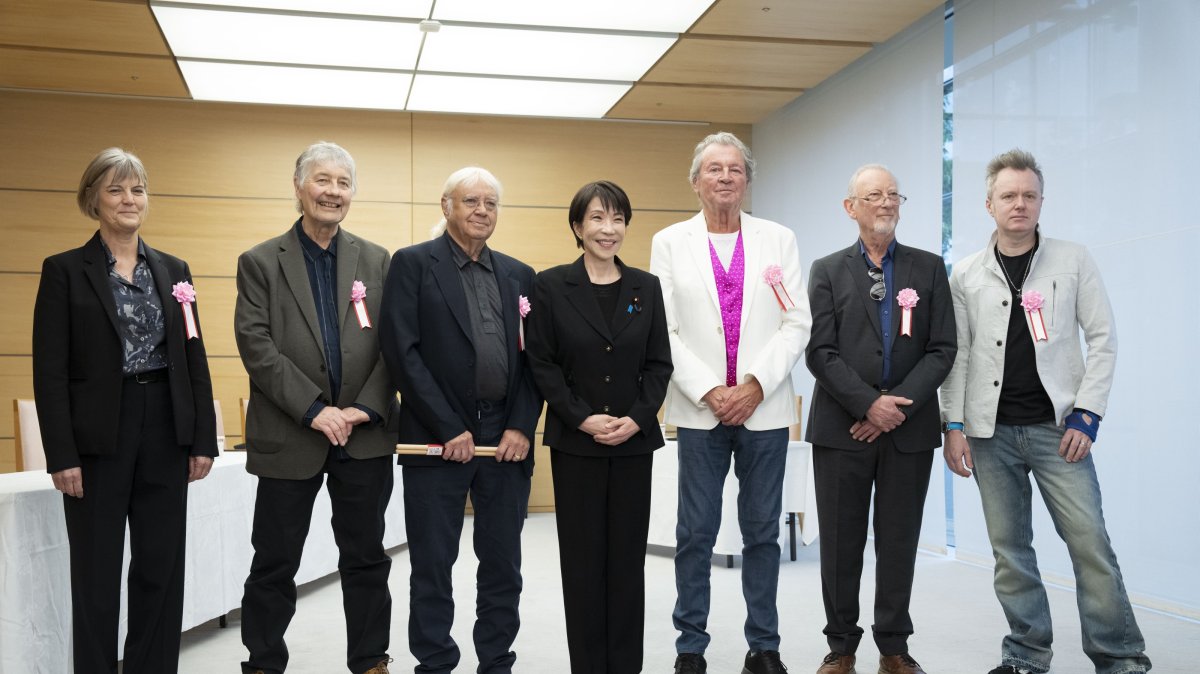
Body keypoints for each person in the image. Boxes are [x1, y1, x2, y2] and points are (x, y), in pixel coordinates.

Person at [940, 149, 1151, 674]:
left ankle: (1120, 657)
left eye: (1029, 195)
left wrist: (1088, 415)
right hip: (990, 435)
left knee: (1090, 544)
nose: (1020, 204)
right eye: (1008, 196)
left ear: (1041, 202)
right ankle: (1026, 656)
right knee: (1011, 552)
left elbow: (1103, 338)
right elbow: (959, 355)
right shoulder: (965, 274)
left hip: (1059, 431)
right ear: (989, 204)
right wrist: (954, 426)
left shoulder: (1072, 259)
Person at [32, 147, 218, 673]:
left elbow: (193, 356)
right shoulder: (64, 271)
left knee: (161, 565)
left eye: (136, 189)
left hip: (165, 425)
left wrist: (202, 437)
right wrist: (61, 454)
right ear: (93, 199)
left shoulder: (175, 270)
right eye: (114, 189)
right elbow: (50, 372)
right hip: (97, 436)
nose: (128, 199)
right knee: (96, 568)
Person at [649, 132, 811, 674]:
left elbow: (796, 322)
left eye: (735, 169)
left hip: (763, 410)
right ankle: (689, 648)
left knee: (763, 531)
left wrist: (756, 385)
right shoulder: (670, 242)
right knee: (695, 532)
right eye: (713, 169)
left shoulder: (779, 239)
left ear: (747, 180)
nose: (724, 177)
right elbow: (663, 328)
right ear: (695, 181)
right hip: (700, 411)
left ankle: (764, 646)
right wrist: (709, 390)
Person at [235, 141, 397, 674]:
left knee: (367, 558)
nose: (333, 192)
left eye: (343, 183)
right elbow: (257, 347)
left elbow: (395, 344)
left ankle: (371, 660)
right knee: (275, 562)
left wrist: (366, 408)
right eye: (322, 180)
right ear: (299, 187)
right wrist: (315, 410)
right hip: (291, 435)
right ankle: (262, 662)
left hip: (363, 436)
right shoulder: (261, 261)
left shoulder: (376, 260)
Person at [379, 166, 542, 674]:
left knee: (502, 566)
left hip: (505, 440)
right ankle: (435, 663)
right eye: (470, 201)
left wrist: (520, 424)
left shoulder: (520, 274)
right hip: (436, 438)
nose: (481, 211)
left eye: (491, 203)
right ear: (446, 205)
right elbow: (401, 351)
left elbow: (537, 360)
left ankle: (497, 662)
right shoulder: (412, 265)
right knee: (432, 564)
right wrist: (449, 426)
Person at [804, 165, 956, 674]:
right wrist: (867, 404)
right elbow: (820, 352)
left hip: (907, 432)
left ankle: (894, 646)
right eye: (874, 195)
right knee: (841, 542)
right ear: (851, 208)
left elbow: (942, 349)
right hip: (842, 429)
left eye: (894, 195)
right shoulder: (826, 270)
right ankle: (841, 647)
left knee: (898, 540)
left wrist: (893, 409)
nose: (887, 203)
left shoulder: (929, 268)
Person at [525, 180, 673, 674]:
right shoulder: (549, 286)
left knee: (627, 566)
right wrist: (580, 416)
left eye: (617, 219)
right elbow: (542, 364)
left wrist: (635, 418)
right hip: (577, 445)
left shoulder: (645, 287)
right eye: (596, 218)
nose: (608, 229)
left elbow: (658, 365)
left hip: (633, 446)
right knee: (584, 567)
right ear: (577, 226)